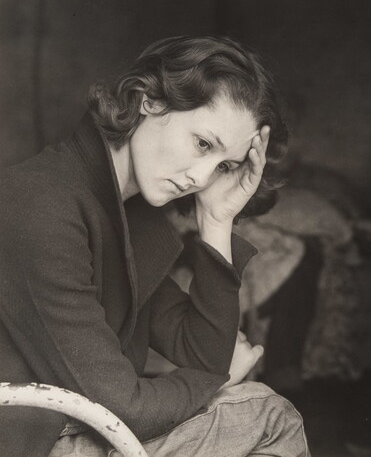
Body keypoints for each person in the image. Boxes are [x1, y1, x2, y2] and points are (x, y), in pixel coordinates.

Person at [0, 36, 310, 456]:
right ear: (150, 101)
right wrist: (216, 380)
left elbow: (198, 350)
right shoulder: (44, 205)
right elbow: (124, 406)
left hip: (70, 425)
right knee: (269, 418)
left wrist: (217, 221)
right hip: (28, 440)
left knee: (259, 410)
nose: (202, 178)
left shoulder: (124, 211)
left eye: (224, 166)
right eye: (203, 144)